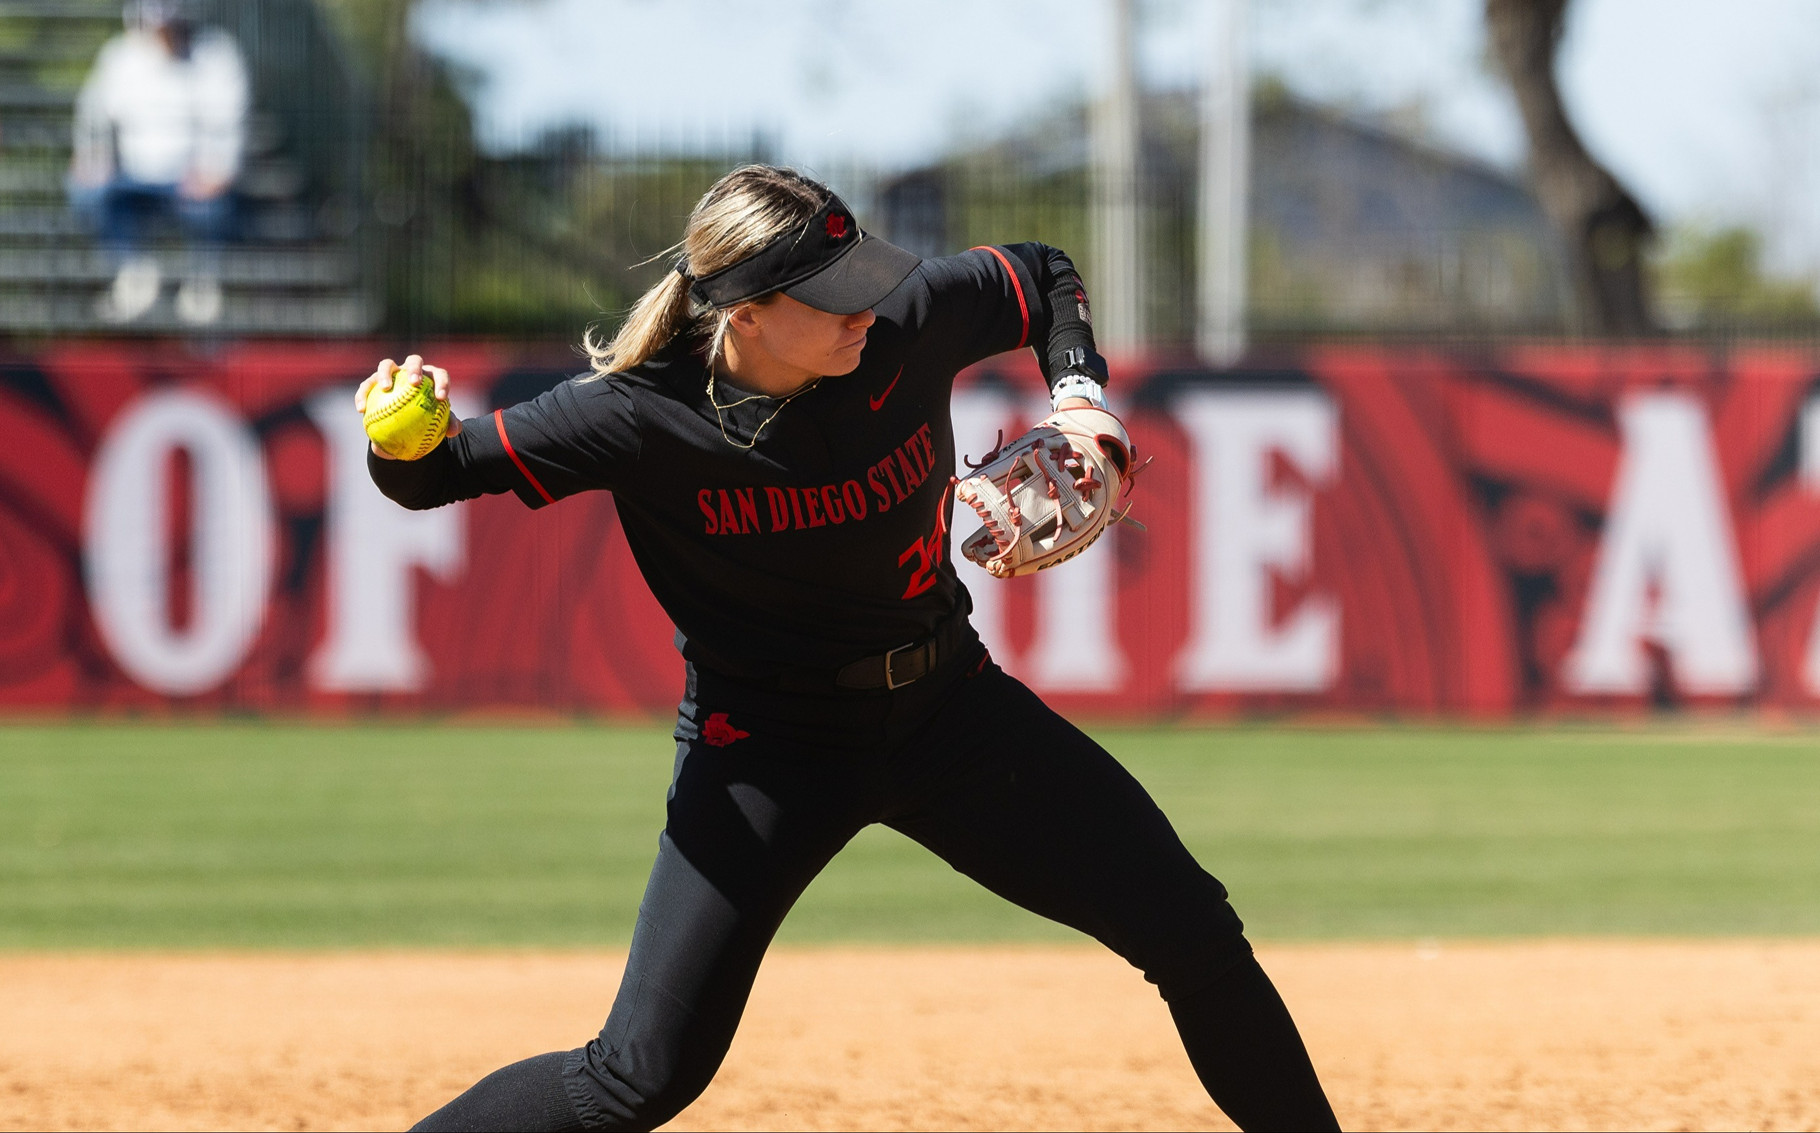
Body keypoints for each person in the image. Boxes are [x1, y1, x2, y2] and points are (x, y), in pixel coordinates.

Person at [359, 164, 1340, 1133]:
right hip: (766, 751)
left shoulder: (907, 322)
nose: (863, 311)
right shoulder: (631, 412)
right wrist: (397, 440)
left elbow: (1042, 274)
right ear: (745, 311)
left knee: (1196, 934)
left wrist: (1080, 396)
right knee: (636, 1077)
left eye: (864, 279)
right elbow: (434, 475)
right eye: (831, 301)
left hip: (951, 711)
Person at [68, 0, 248, 326]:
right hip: (131, 177)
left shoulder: (216, 55)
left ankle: (202, 280)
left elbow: (228, 123)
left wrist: (216, 168)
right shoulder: (120, 56)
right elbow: (92, 115)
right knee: (86, 192)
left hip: (189, 179)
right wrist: (93, 157)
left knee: (214, 205)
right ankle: (132, 272)